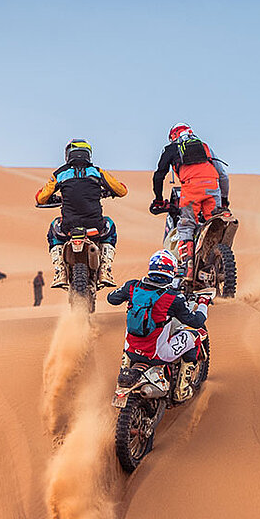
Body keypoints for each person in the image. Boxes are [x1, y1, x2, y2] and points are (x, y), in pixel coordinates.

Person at [107, 249, 211, 403]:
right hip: (159, 354)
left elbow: (111, 298)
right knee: (195, 335)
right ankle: (181, 390)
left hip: (130, 351)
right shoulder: (173, 298)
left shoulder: (132, 287)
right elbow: (196, 322)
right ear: (172, 271)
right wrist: (203, 304)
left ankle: (124, 371)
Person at [35, 139, 128, 288]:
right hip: (95, 224)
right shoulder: (98, 172)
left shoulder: (60, 173)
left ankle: (60, 271)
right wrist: (107, 191)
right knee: (110, 225)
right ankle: (105, 268)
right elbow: (122, 190)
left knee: (54, 228)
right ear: (88, 154)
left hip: (68, 225)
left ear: (68, 154)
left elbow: (41, 198)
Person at [151, 123, 231, 280]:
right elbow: (223, 174)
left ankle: (188, 267)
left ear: (173, 136)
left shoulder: (171, 149)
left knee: (186, 225)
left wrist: (159, 200)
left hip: (191, 188)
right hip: (212, 187)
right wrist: (224, 199)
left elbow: (159, 175)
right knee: (212, 221)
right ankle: (215, 258)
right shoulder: (205, 147)